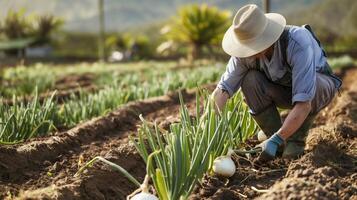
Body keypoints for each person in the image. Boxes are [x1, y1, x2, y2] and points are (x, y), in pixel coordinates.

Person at [212, 4, 342, 162]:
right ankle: (276, 142)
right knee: (250, 79)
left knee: (314, 83)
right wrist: (214, 125)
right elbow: (222, 91)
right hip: (281, 91)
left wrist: (277, 138)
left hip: (314, 92)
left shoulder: (297, 41)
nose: (250, 51)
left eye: (255, 45)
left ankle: (294, 141)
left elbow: (303, 104)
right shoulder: (244, 54)